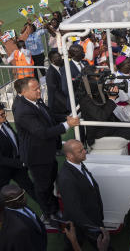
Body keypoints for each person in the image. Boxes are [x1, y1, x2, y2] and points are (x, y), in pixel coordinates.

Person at [55, 139, 129, 251]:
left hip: (87, 221)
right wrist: (94, 227)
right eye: (80, 151)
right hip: (84, 223)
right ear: (70, 156)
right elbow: (73, 208)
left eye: (83, 148)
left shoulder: (78, 165)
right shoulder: (67, 178)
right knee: (104, 248)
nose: (85, 152)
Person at [12, 76, 79, 221]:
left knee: (50, 181)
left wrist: (65, 117)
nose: (39, 91)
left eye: (39, 88)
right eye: (35, 89)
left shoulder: (35, 100)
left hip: (47, 152)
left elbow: (49, 115)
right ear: (23, 92)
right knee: (43, 186)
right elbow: (42, 132)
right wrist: (68, 125)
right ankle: (50, 214)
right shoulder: (22, 110)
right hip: (37, 156)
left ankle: (53, 208)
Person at [0, 102, 36, 198]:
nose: (5, 116)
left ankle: (49, 210)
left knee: (30, 187)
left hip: (16, 165)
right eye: (1, 115)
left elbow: (13, 138)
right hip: (2, 171)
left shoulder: (4, 122)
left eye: (4, 113)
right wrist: (21, 163)